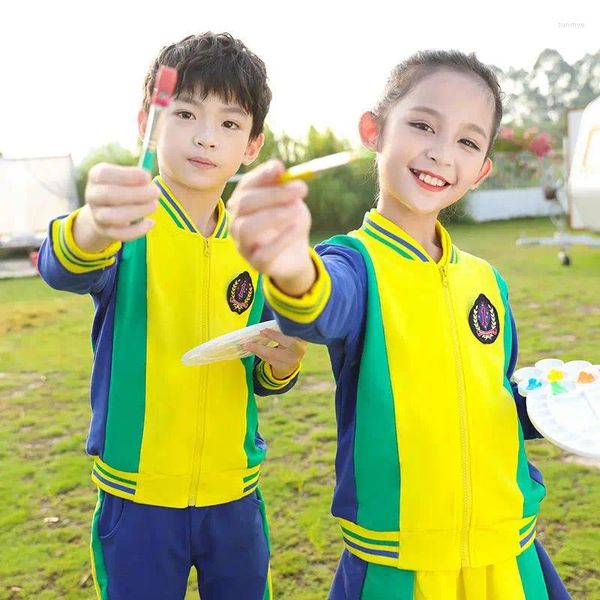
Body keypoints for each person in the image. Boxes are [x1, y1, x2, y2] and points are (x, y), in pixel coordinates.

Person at [228, 50, 570, 599]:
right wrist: (290, 265)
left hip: (509, 554)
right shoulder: (352, 264)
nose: (441, 151)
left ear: (482, 169)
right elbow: (320, 304)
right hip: (399, 566)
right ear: (375, 130)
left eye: (467, 141)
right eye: (422, 125)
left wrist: (561, 414)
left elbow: (495, 399)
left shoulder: (487, 281)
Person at [38, 32, 306, 600]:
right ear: (149, 122)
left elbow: (260, 370)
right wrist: (93, 224)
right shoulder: (126, 225)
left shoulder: (254, 240)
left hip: (234, 495)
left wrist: (282, 365)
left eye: (230, 123)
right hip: (138, 498)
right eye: (186, 113)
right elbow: (63, 265)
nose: (206, 137)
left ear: (253, 144)